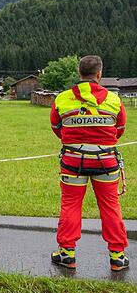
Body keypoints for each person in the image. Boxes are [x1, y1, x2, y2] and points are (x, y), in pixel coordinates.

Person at [50, 55, 129, 272]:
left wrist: (75, 142)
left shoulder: (62, 98)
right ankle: (117, 257)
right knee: (111, 207)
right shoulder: (114, 99)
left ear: (79, 73)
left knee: (70, 205)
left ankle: (67, 255)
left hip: (73, 162)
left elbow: (56, 127)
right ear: (99, 74)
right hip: (106, 162)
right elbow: (119, 129)